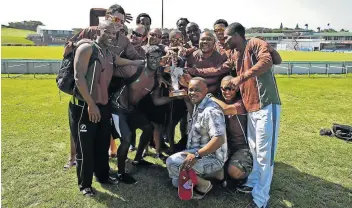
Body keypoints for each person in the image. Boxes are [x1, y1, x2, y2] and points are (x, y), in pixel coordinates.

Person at [69, 20, 144, 196]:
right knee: (85, 148)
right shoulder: (87, 49)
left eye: (114, 34)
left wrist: (143, 62)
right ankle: (85, 184)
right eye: (107, 32)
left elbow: (124, 61)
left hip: (103, 107)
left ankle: (103, 176)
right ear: (98, 31)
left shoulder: (109, 53)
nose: (111, 36)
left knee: (102, 144)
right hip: (84, 106)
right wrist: (91, 104)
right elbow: (79, 78)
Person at [224, 22, 281, 208]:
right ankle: (253, 182)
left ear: (237, 36)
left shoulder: (255, 43)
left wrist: (240, 78)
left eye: (226, 37)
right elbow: (220, 67)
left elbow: (269, 61)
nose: (224, 40)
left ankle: (261, 199)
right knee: (255, 150)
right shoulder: (234, 53)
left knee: (265, 154)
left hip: (266, 105)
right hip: (251, 107)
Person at [111, 45, 177, 184]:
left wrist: (174, 97)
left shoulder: (155, 79)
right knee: (127, 139)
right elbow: (110, 71)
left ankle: (138, 159)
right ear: (145, 57)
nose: (154, 60)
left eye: (158, 58)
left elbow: (157, 100)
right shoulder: (134, 69)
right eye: (151, 57)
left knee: (148, 128)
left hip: (132, 110)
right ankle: (121, 173)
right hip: (117, 108)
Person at [166, 77, 227, 199]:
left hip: (211, 157)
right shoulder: (199, 105)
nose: (192, 93)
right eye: (190, 90)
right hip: (200, 153)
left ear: (206, 90)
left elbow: (219, 138)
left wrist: (197, 155)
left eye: (196, 90)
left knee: (172, 163)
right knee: (175, 181)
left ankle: (204, 185)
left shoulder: (211, 110)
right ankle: (217, 175)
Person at [209, 76, 253, 188]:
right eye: (224, 89)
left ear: (237, 88)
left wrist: (210, 97)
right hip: (223, 147)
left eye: (231, 88)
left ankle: (244, 173)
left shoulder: (242, 102)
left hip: (241, 147)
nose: (227, 91)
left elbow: (226, 109)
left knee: (234, 172)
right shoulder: (220, 100)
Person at [70, 4, 143, 60]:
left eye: (122, 22)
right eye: (116, 20)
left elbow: (137, 58)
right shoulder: (91, 31)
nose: (119, 24)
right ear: (107, 17)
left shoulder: (123, 41)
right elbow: (69, 49)